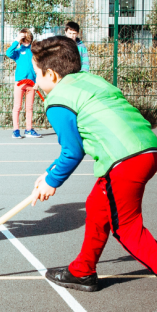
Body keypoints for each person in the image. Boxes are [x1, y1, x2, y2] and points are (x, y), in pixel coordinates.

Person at [28, 36, 157, 292]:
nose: (35, 81)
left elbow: (72, 151)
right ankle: (82, 271)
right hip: (147, 148)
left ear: (51, 74)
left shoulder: (57, 101)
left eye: (37, 74)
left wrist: (52, 181)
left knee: (127, 230)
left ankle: (83, 271)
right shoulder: (91, 80)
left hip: (124, 160)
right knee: (98, 207)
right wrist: (48, 174)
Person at [6, 28, 41, 139]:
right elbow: (8, 53)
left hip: (32, 83)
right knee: (17, 106)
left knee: (29, 108)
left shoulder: (34, 51)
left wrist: (37, 82)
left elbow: (39, 67)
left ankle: (29, 129)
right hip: (20, 83)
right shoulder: (17, 51)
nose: (26, 40)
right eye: (24, 38)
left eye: (27, 38)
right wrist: (17, 40)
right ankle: (16, 130)